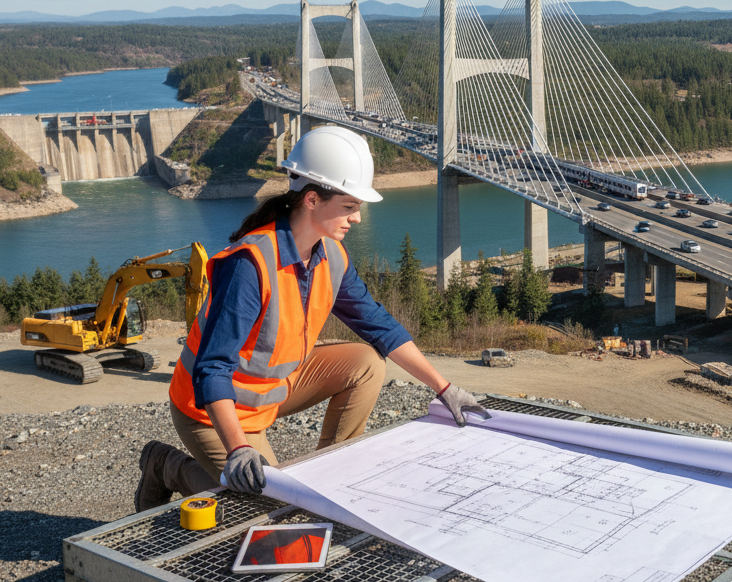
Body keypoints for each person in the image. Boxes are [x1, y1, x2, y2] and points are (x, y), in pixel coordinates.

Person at [135, 125, 489, 511]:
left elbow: (381, 327)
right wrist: (238, 448)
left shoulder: (331, 256)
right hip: (210, 408)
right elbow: (213, 368)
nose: (356, 219)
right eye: (350, 206)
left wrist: (445, 388)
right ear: (312, 200)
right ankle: (166, 465)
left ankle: (327, 475)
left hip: (271, 390)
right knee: (264, 502)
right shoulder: (249, 265)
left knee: (367, 363)